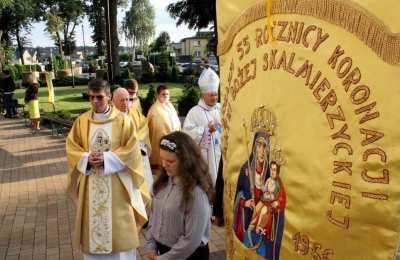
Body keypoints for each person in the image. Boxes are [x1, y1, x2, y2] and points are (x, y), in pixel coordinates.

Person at [66, 79, 151, 260]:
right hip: (91, 186)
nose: (95, 101)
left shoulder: (123, 121)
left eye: (99, 97)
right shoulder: (82, 122)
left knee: (120, 241)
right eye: (91, 97)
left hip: (117, 187)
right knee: (94, 236)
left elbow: (132, 150)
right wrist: (85, 159)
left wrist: (106, 159)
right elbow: (72, 147)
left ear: (109, 97)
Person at [145, 131, 214, 260]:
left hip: (189, 255)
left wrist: (163, 258)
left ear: (186, 161)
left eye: (170, 161)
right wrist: (151, 246)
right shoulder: (161, 184)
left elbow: (191, 240)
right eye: (162, 159)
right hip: (164, 252)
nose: (164, 165)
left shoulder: (196, 194)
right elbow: (154, 219)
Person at [233, 131, 286, 260]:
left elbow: (279, 195)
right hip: (248, 217)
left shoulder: (270, 172)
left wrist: (273, 204)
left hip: (264, 221)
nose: (262, 150)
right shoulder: (246, 169)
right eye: (259, 145)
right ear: (254, 147)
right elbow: (238, 195)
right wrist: (244, 203)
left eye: (264, 146)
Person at [183, 68, 221, 186]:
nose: (214, 98)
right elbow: (187, 135)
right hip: (205, 158)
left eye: (216, 95)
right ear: (203, 95)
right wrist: (206, 130)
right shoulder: (194, 112)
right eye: (211, 95)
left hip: (221, 154)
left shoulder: (221, 108)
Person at [112, 87, 153, 191]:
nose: (125, 103)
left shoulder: (135, 113)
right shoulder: (110, 118)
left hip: (139, 154)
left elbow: (144, 127)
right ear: (113, 101)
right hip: (123, 159)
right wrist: (131, 145)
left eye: (127, 99)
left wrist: (135, 141)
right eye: (122, 100)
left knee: (145, 187)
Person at [147, 85, 181, 174]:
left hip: (174, 144)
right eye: (163, 94)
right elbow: (153, 130)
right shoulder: (154, 110)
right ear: (157, 95)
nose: (166, 96)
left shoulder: (170, 106)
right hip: (160, 146)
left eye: (167, 94)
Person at [248, 161, 280, 233]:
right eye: (271, 169)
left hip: (270, 204)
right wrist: (261, 186)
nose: (272, 172)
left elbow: (275, 196)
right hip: (264, 200)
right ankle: (252, 223)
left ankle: (258, 226)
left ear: (277, 171)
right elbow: (264, 189)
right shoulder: (268, 180)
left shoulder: (277, 183)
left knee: (263, 211)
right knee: (257, 208)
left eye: (274, 170)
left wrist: (270, 196)